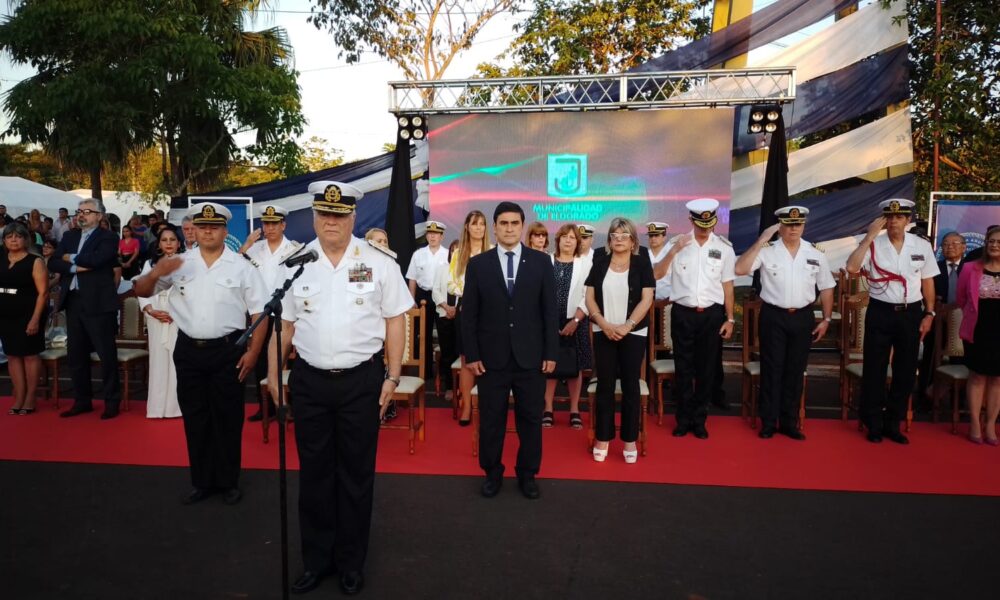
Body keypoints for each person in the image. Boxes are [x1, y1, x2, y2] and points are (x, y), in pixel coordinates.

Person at [268, 181, 412, 596]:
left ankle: (351, 561)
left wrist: (392, 374)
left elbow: (395, 318)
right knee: (313, 474)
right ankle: (317, 560)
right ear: (313, 217)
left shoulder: (379, 262)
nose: (331, 221)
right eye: (324, 214)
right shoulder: (297, 263)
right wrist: (274, 372)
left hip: (361, 382)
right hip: (310, 380)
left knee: (354, 475)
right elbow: (286, 324)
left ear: (353, 217)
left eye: (339, 214)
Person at [133, 202, 268, 505]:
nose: (208, 231)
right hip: (189, 350)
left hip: (228, 351)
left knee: (228, 417)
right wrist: (155, 273)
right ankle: (202, 481)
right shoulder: (178, 262)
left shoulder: (242, 266)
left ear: (224, 230)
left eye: (214, 227)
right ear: (193, 228)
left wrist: (253, 352)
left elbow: (261, 312)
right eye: (202, 226)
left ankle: (228, 481)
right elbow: (141, 291)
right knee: (196, 417)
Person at [462, 201, 559, 500]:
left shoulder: (542, 263)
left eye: (514, 223)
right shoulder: (479, 265)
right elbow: (470, 315)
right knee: (492, 419)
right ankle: (492, 472)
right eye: (503, 223)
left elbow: (549, 312)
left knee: (531, 419)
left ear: (522, 226)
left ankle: (528, 474)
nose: (508, 228)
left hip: (531, 357)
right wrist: (472, 355)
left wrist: (551, 353)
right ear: (495, 227)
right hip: (491, 360)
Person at [734, 207, 836, 440]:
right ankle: (768, 422)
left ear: (804, 225)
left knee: (795, 370)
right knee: (772, 369)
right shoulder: (767, 250)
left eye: (797, 224)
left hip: (803, 317)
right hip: (774, 316)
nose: (793, 228)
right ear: (779, 226)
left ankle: (789, 422)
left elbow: (827, 286)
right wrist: (762, 239)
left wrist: (827, 319)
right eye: (788, 224)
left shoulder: (815, 253)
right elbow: (740, 269)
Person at [845, 199, 938, 444]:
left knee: (906, 370)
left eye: (899, 217)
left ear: (908, 220)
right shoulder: (872, 243)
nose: (894, 221)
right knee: (875, 368)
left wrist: (929, 313)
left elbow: (928, 281)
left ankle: (893, 423)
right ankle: (873, 422)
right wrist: (868, 237)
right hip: (881, 311)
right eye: (890, 216)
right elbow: (852, 267)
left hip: (910, 313)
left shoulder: (921, 245)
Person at [653, 198, 736, 439]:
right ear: (691, 220)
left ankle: (700, 419)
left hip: (711, 315)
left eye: (709, 223)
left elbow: (728, 286)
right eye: (700, 223)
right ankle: (683, 419)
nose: (705, 228)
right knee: (683, 368)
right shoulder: (676, 244)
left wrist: (730, 319)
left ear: (714, 221)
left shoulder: (724, 248)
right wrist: (675, 250)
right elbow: (657, 273)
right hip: (683, 313)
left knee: (706, 369)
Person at [586, 218, 655, 462]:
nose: (618, 238)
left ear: (633, 240)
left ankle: (629, 440)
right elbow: (589, 297)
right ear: (609, 239)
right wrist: (603, 324)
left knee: (630, 386)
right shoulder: (599, 262)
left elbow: (647, 299)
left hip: (633, 333)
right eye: (615, 234)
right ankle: (603, 437)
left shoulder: (642, 264)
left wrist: (627, 326)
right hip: (603, 331)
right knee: (604, 385)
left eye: (624, 235)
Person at [48, 198, 122, 420]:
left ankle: (111, 401)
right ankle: (83, 401)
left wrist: (70, 259)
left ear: (99, 216)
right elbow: (53, 262)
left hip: (98, 302)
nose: (81, 215)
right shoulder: (69, 236)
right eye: (79, 211)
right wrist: (77, 265)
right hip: (74, 300)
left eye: (87, 212)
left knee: (105, 353)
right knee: (76, 355)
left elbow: (99, 260)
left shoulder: (108, 236)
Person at [239, 204, 302, 423]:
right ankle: (264, 405)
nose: (270, 228)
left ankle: (289, 404)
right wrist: (247, 244)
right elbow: (237, 265)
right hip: (260, 312)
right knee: (260, 360)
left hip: (287, 313)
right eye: (266, 223)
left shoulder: (294, 249)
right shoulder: (255, 249)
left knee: (289, 360)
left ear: (283, 225)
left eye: (275, 223)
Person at [440, 210, 492, 425]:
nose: (478, 227)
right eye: (474, 224)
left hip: (490, 311)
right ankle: (467, 408)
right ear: (467, 227)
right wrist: (472, 291)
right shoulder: (459, 253)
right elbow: (451, 284)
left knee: (489, 358)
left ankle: (487, 406)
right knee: (466, 360)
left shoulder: (493, 251)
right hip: (466, 310)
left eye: (482, 224)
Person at [543, 223, 592, 429]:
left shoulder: (585, 264)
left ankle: (574, 409)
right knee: (548, 365)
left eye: (573, 238)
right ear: (558, 240)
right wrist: (548, 321)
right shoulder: (546, 261)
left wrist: (576, 320)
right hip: (549, 322)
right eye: (565, 237)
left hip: (577, 321)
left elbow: (588, 295)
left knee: (575, 366)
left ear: (577, 242)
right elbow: (539, 293)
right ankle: (547, 409)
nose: (568, 240)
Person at [955, 226, 1000, 444]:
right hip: (978, 330)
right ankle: (974, 422)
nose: (994, 245)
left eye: (999, 242)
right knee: (977, 376)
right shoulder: (970, 269)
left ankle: (990, 424)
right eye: (991, 241)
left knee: (997, 379)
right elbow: (962, 299)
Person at [135, 226, 184, 419]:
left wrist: (177, 313)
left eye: (173, 239)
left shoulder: (186, 263)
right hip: (156, 318)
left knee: (177, 362)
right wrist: (151, 310)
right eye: (165, 240)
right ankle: (156, 408)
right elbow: (141, 290)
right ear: (159, 244)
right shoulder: (150, 264)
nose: (169, 243)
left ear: (178, 243)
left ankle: (176, 408)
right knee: (157, 361)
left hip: (178, 320)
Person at [0, 223, 48, 415]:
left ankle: (30, 396)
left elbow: (43, 293)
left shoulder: (35, 261)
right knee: (12, 355)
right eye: (9, 236)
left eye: (17, 236)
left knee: (29, 355)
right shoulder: (1, 259)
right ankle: (19, 395)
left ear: (26, 239)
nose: (13, 239)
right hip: (4, 314)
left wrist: (35, 319)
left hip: (29, 313)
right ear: (4, 240)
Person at [405, 220, 449, 383]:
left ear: (441, 236)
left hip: (442, 296)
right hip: (423, 295)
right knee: (423, 334)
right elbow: (412, 278)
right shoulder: (418, 254)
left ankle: (445, 372)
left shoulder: (447, 254)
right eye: (430, 233)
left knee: (445, 335)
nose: (432, 236)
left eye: (436, 234)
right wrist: (412, 299)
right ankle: (425, 372)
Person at [432, 240, 461, 404]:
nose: (456, 252)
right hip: (443, 314)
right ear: (450, 252)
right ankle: (449, 386)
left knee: (460, 352)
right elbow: (435, 290)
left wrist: (456, 309)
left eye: (459, 250)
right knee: (447, 352)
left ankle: (461, 386)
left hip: (460, 315)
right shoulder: (442, 269)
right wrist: (447, 307)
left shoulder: (466, 269)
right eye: (453, 250)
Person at [934, 232, 967, 304]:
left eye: (955, 243)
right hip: (940, 311)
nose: (950, 247)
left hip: (965, 311)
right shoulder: (934, 268)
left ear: (964, 248)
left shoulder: (970, 268)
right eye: (945, 244)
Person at [646, 222, 672, 302]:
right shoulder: (644, 256)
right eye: (651, 236)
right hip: (647, 303)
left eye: (656, 235)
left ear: (664, 237)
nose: (653, 238)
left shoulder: (670, 255)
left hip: (667, 302)